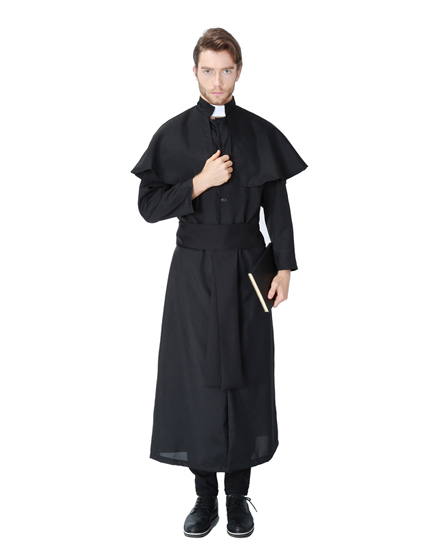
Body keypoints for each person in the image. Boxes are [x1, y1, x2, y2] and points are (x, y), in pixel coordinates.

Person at [131, 28, 307, 538]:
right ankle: (204, 497)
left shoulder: (261, 133)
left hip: (250, 271)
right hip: (193, 274)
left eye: (226, 70)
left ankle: (237, 498)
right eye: (208, 70)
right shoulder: (172, 134)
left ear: (239, 71)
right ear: (194, 72)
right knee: (197, 381)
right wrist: (198, 183)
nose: (217, 81)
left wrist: (285, 267)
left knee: (245, 377)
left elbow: (277, 207)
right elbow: (148, 208)